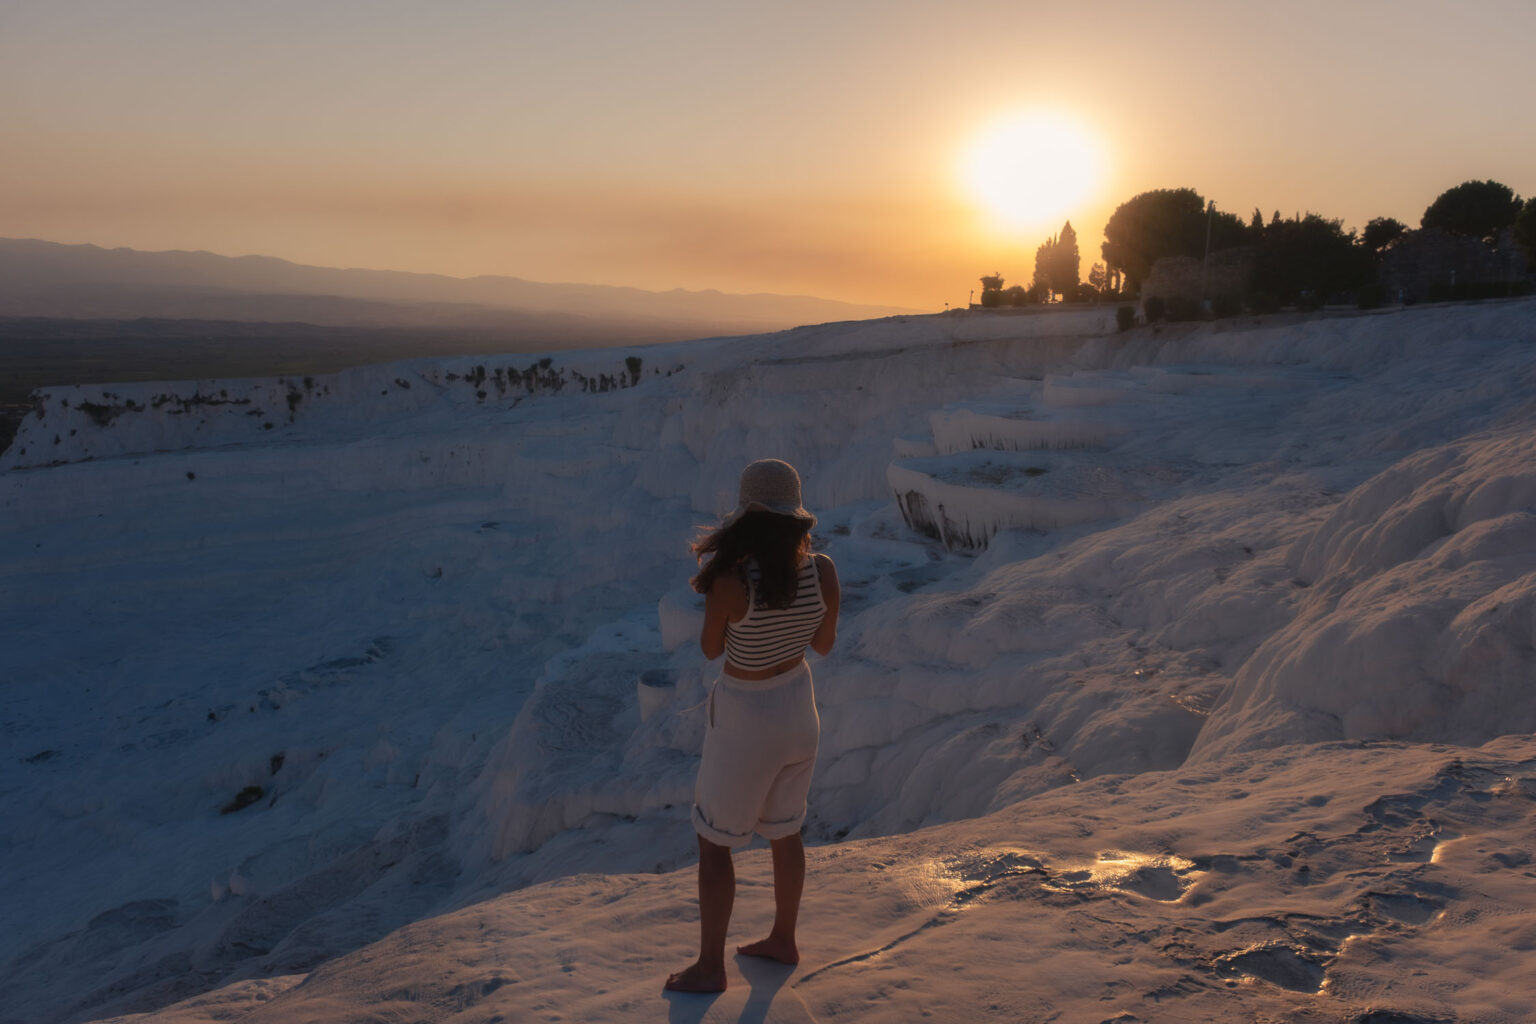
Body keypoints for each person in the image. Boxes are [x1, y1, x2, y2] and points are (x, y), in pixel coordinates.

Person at [664, 459, 841, 994]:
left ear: (747, 517)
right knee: (786, 831)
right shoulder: (824, 570)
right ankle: (783, 938)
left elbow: (712, 649)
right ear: (795, 518)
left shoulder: (730, 581)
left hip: (746, 718)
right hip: (798, 708)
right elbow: (824, 645)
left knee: (715, 842)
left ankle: (710, 967)